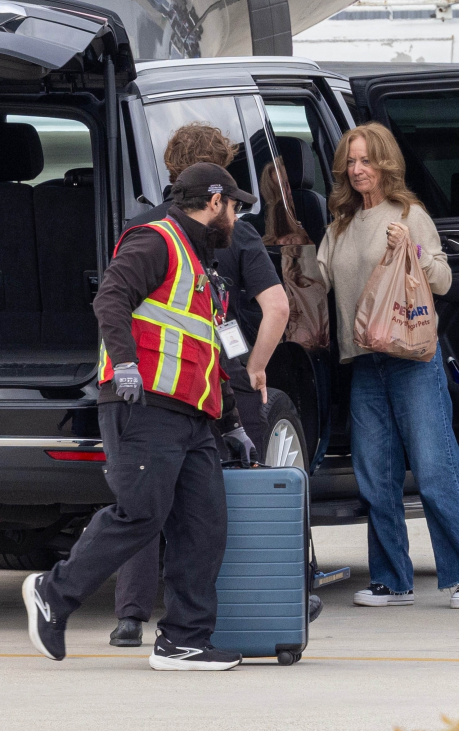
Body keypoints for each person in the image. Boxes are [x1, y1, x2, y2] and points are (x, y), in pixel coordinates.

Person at [22, 163, 260, 670]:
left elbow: (211, 351)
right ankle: (52, 592)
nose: (237, 216)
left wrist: (232, 421)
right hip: (144, 405)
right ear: (214, 201)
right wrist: (125, 364)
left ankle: (184, 640)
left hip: (193, 416)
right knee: (140, 514)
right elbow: (111, 297)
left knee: (204, 526)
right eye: (234, 205)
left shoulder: (201, 264)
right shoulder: (156, 241)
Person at [108, 124, 292, 648]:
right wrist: (256, 367)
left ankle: (130, 614)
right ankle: (269, 592)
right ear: (217, 185)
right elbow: (277, 306)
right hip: (219, 378)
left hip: (153, 379)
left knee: (143, 496)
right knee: (224, 499)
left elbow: (118, 302)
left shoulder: (143, 227)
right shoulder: (238, 231)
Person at [316, 123, 459, 609]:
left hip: (412, 359)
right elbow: (320, 279)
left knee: (436, 468)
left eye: (366, 161)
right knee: (376, 475)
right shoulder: (340, 225)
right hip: (365, 361)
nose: (357, 170)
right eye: (350, 162)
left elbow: (443, 281)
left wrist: (412, 251)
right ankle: (391, 580)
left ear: (386, 163)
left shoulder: (409, 214)